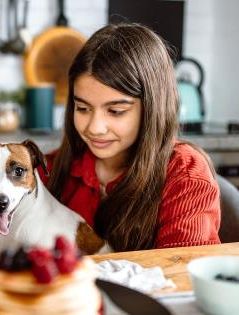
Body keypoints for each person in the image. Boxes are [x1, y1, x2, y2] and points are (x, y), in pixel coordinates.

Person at [40, 23, 221, 252]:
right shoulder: (48, 170)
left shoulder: (184, 175)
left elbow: (181, 278)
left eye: (115, 111)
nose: (95, 128)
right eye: (83, 108)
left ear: (152, 107)